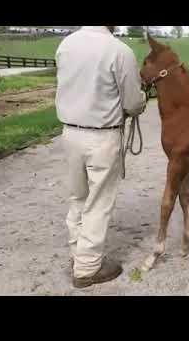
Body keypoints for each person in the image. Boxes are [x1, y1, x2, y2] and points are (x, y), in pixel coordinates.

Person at [55, 26, 146, 288]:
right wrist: (142, 98)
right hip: (102, 136)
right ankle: (87, 268)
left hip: (70, 132)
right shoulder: (120, 51)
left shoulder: (66, 45)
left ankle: (78, 254)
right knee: (99, 202)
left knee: (78, 197)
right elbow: (132, 103)